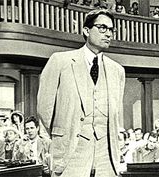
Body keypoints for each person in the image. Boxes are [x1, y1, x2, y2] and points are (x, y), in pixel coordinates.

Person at [37, 9, 125, 177]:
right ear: (86, 30)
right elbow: (44, 110)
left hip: (106, 158)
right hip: (69, 154)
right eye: (102, 28)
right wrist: (49, 148)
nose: (108, 34)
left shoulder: (117, 70)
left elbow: (116, 114)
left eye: (111, 30)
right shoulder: (60, 61)